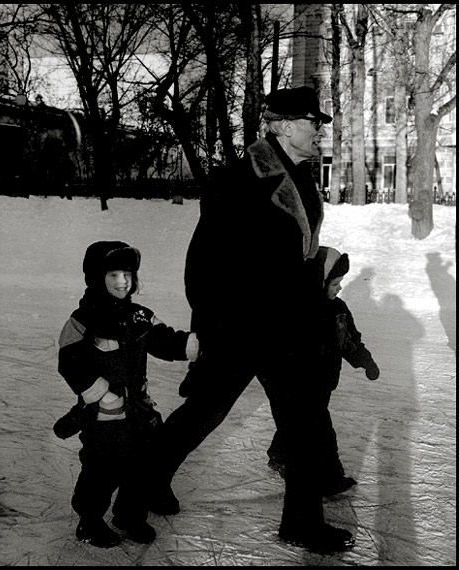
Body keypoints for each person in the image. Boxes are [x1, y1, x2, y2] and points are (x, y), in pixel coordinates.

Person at [150, 86, 356, 554]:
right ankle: (145, 481)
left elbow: (286, 253)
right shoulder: (239, 181)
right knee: (203, 413)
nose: (319, 129)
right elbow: (203, 262)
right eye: (311, 121)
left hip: (285, 327)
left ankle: (302, 523)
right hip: (239, 326)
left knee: (302, 421)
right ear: (282, 125)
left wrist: (318, 275)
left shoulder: (300, 177)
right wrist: (210, 326)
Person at [56, 240, 199, 548]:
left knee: (142, 465)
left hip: (138, 411)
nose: (122, 282)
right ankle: (90, 522)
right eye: (113, 275)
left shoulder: (140, 316)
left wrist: (195, 345)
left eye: (127, 274)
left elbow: (164, 340)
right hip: (103, 416)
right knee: (102, 469)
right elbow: (70, 361)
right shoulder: (83, 320)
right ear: (97, 278)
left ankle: (129, 515)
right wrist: (101, 394)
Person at [267, 246, 380, 496]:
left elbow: (349, 341)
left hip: (324, 383)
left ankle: (279, 453)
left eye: (341, 283)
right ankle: (330, 478)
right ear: (316, 281)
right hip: (300, 385)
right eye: (334, 283)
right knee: (321, 433)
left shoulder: (338, 309)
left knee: (298, 425)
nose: (339, 288)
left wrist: (366, 361)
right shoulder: (298, 310)